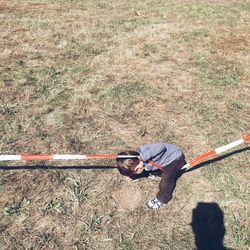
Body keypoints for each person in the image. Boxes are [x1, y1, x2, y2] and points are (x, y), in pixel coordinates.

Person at [116, 143, 186, 209]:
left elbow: (161, 147)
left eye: (137, 168)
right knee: (145, 169)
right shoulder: (138, 162)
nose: (137, 170)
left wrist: (143, 157)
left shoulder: (147, 153)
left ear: (138, 159)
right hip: (160, 164)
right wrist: (134, 174)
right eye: (134, 172)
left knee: (167, 178)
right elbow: (139, 167)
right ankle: (149, 174)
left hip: (175, 159)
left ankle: (163, 198)